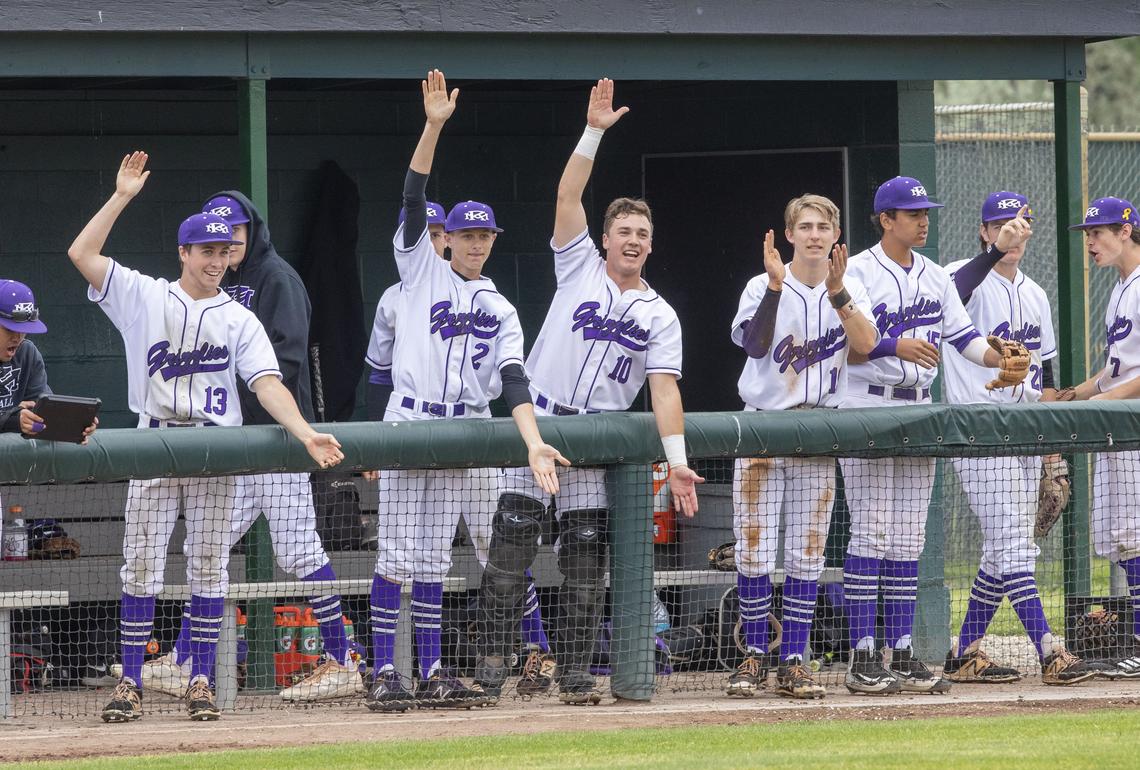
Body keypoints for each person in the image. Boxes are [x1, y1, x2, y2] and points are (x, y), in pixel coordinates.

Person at [68, 151, 344, 723]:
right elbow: (82, 254)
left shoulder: (239, 317)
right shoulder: (145, 295)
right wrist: (121, 196)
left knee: (210, 567)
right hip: (155, 442)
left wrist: (305, 433)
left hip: (216, 449)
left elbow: (268, 384)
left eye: (225, 250)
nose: (217, 260)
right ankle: (132, 683)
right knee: (140, 564)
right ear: (184, 253)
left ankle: (199, 681)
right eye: (207, 251)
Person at [477, 78, 704, 707]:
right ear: (606, 239)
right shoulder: (576, 265)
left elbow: (664, 392)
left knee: (583, 567)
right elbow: (568, 193)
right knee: (507, 556)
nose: (632, 240)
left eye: (642, 233)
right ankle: (492, 665)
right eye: (623, 230)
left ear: (651, 245)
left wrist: (678, 463)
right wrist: (594, 131)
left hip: (596, 437)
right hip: (539, 423)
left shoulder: (660, 314)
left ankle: (575, 674)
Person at [365, 70, 568, 712]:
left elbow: (513, 379)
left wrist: (531, 441)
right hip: (410, 425)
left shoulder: (503, 307)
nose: (477, 244)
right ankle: (383, 673)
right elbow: (411, 193)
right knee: (398, 558)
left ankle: (431, 670)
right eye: (467, 234)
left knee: (441, 559)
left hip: (472, 430)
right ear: (445, 237)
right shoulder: (418, 274)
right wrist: (433, 126)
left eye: (487, 236)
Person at [133, 191, 363, 703]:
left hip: (273, 444)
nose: (228, 241)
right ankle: (186, 659)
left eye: (236, 230)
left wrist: (232, 407)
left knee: (298, 550)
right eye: (219, 234)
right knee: (203, 551)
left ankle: (343, 659)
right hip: (238, 446)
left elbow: (284, 365)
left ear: (252, 229)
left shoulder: (276, 278)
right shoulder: (226, 284)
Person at [839, 176, 1029, 695]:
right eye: (911, 213)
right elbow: (847, 347)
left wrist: (1001, 360)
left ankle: (899, 653)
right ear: (885, 219)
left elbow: (964, 338)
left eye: (925, 212)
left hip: (919, 408)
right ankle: (861, 656)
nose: (923, 220)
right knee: (871, 534)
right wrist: (891, 347)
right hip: (866, 408)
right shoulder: (856, 270)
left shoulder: (933, 274)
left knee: (906, 539)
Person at [941, 191, 1100, 685]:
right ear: (985, 232)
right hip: (979, 429)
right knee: (1012, 543)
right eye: (999, 225)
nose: (1011, 233)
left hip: (1028, 429)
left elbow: (1046, 373)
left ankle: (964, 652)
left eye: (1018, 224)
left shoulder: (1035, 293)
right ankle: (1050, 650)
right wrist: (992, 253)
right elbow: (955, 293)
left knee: (1002, 548)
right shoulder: (959, 274)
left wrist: (1050, 438)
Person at [726, 195, 878, 699]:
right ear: (789, 234)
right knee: (753, 549)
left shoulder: (848, 287)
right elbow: (753, 345)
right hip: (764, 428)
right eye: (805, 227)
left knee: (807, 553)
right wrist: (773, 286)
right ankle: (753, 655)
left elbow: (868, 343)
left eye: (824, 227)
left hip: (817, 430)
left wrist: (837, 293)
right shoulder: (760, 284)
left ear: (837, 236)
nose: (815, 235)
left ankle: (793, 658)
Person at [1059, 196, 1140, 679]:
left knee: (1136, 535)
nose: (1089, 242)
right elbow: (1114, 373)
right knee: (1124, 537)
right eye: (1087, 234)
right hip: (1120, 423)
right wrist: (1072, 395)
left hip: (1133, 425)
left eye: (1097, 233)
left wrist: (1097, 405)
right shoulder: (1119, 288)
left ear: (1126, 232)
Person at [0, 280, 96, 441]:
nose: (17, 337)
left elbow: (43, 410)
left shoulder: (26, 353)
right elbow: (15, 418)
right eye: (10, 329)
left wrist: (72, 424)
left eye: (23, 329)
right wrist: (11, 418)